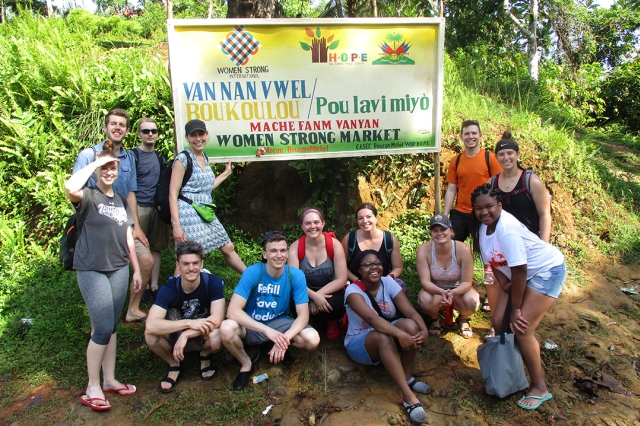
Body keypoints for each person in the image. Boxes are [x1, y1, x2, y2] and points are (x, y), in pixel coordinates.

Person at [470, 183, 566, 410]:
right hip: (517, 276)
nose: (484, 212)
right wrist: (506, 287)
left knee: (521, 328)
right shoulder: (483, 228)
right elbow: (492, 263)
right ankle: (512, 373)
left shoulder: (507, 229)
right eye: (479, 208)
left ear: (500, 205)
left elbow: (520, 270)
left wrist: (516, 309)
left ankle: (539, 387)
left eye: (490, 207)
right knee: (498, 323)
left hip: (546, 270)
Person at [64, 139, 142, 411]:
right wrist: (98, 161)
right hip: (92, 269)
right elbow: (69, 187)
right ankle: (92, 386)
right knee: (101, 328)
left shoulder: (119, 200)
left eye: (113, 168)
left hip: (119, 268)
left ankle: (109, 379)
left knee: (112, 326)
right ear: (97, 169)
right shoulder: (87, 197)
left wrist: (136, 269)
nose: (110, 172)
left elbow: (128, 236)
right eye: (105, 168)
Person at [220, 232, 320, 390]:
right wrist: (267, 331)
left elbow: (303, 316)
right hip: (253, 323)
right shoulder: (253, 272)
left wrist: (284, 340)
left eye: (282, 250)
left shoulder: (295, 275)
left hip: (280, 322)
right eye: (273, 251)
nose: (279, 255)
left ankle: (277, 346)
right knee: (226, 328)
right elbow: (232, 311)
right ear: (265, 254)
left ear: (287, 253)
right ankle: (246, 363)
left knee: (312, 339)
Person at [344, 250, 431, 424]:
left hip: (385, 333)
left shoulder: (388, 283)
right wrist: (399, 334)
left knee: (410, 326)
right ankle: (408, 397)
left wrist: (424, 330)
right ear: (359, 271)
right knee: (384, 336)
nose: (374, 267)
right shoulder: (353, 292)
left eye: (377, 263)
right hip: (359, 342)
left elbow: (410, 311)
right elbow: (372, 319)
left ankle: (407, 376)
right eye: (367, 265)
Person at [145, 241, 225, 393]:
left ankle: (205, 355)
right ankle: (174, 363)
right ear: (178, 265)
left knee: (218, 335)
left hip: (202, 333)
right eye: (185, 264)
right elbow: (151, 325)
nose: (191, 268)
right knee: (150, 336)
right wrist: (188, 324)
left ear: (201, 264)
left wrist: (187, 334)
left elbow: (217, 319)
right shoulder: (169, 289)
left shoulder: (212, 282)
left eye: (195, 263)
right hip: (176, 333)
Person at [169, 119, 245, 275]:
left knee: (228, 246)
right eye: (193, 135)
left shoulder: (205, 156)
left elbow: (205, 188)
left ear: (206, 134)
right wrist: (176, 225)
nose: (198, 139)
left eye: (201, 134)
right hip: (187, 213)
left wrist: (225, 174)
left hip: (205, 211)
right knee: (188, 256)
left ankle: (253, 279)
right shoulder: (182, 159)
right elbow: (173, 193)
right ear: (187, 138)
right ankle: (174, 295)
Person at [72, 108, 149, 258]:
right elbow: (74, 192)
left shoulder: (129, 159)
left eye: (122, 125)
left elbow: (131, 194)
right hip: (96, 226)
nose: (117, 128)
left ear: (127, 131)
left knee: (147, 262)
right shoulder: (89, 155)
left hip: (124, 224)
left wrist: (137, 227)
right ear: (105, 128)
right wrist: (84, 223)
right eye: (113, 123)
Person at [126, 118, 172, 322]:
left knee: (156, 248)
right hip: (139, 208)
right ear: (138, 134)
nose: (150, 134)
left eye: (153, 131)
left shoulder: (160, 157)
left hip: (157, 208)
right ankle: (139, 287)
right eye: (145, 131)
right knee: (138, 249)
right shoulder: (132, 156)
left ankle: (153, 287)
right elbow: (129, 188)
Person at [288, 207, 348, 340]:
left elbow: (341, 279)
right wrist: (314, 296)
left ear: (323, 223)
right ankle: (309, 321)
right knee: (293, 299)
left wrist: (318, 297)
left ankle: (331, 320)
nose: (312, 226)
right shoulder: (295, 247)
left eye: (316, 222)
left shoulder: (334, 245)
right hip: (305, 291)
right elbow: (293, 281)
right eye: (308, 223)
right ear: (302, 226)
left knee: (339, 300)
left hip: (330, 291)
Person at [416, 215, 479, 338]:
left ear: (451, 231)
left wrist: (453, 293)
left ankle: (463, 318)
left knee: (473, 302)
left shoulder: (464, 249)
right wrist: (441, 292)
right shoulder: (423, 250)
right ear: (430, 233)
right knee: (423, 300)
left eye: (443, 229)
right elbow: (425, 282)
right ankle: (434, 319)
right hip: (435, 291)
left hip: (459, 290)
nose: (439, 233)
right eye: (435, 230)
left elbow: (467, 281)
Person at [443, 120, 502, 242]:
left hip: (484, 212)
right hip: (461, 212)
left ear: (480, 135)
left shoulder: (490, 158)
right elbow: (451, 189)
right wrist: (444, 215)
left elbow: (500, 186)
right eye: (467, 134)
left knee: (487, 249)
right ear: (461, 137)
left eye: (474, 133)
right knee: (451, 246)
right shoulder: (456, 161)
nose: (471, 137)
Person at [489, 131, 551, 242]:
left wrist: (544, 245)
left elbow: (544, 214)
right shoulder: (491, 183)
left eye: (510, 153)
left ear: (517, 154)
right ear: (496, 157)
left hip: (530, 241)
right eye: (501, 154)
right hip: (504, 242)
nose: (506, 157)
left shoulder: (531, 181)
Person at [341, 203, 404, 290]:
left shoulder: (389, 239)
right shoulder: (349, 238)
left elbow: (398, 267)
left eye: (369, 216)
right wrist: (357, 281)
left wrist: (389, 278)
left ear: (376, 218)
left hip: (384, 279)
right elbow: (341, 266)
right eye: (360, 218)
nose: (365, 221)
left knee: (400, 285)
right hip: (356, 281)